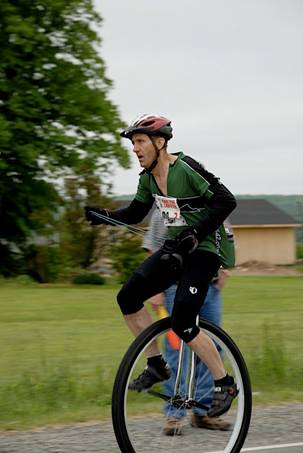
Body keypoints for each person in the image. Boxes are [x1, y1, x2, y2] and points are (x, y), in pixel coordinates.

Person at [85, 113, 238, 418]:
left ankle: (225, 382)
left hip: (206, 249)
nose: (135, 149)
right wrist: (103, 215)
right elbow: (135, 212)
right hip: (177, 247)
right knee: (127, 297)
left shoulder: (186, 169)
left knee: (183, 320)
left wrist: (196, 233)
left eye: (140, 141)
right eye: (133, 143)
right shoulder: (147, 179)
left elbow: (226, 201)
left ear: (160, 142)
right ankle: (157, 364)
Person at [143, 209, 232, 435]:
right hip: (176, 289)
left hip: (209, 290)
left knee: (212, 348)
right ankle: (174, 414)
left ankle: (204, 412)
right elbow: (152, 248)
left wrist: (223, 270)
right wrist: (155, 288)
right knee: (177, 352)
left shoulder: (215, 208)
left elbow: (226, 241)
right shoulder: (167, 209)